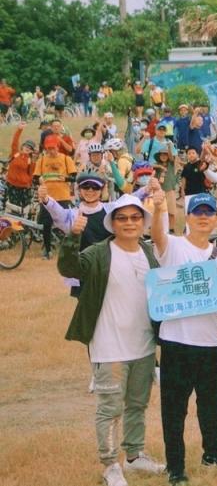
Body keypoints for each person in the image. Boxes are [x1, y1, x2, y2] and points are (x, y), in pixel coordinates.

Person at [57, 195, 166, 486]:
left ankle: (134, 455)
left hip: (143, 346)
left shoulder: (149, 253)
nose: (129, 223)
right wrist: (72, 237)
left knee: (137, 404)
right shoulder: (98, 253)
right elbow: (70, 269)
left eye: (135, 217)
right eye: (122, 218)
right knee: (109, 409)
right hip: (109, 347)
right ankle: (110, 465)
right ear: (112, 223)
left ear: (142, 221)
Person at [149, 191, 217, 484]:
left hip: (209, 342)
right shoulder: (173, 246)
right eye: (197, 212)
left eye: (209, 212)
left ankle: (213, 452)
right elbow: (158, 236)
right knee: (174, 409)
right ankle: (176, 466)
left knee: (212, 404)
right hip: (176, 342)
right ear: (187, 217)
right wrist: (160, 209)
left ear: (216, 217)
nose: (203, 217)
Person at [34, 133, 78, 258]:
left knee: (66, 224)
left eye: (53, 148)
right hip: (46, 197)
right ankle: (47, 250)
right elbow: (35, 178)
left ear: (57, 147)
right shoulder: (41, 160)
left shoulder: (66, 159)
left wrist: (65, 178)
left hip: (63, 196)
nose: (51, 151)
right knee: (46, 224)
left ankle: (70, 251)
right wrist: (39, 180)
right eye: (48, 149)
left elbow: (74, 177)